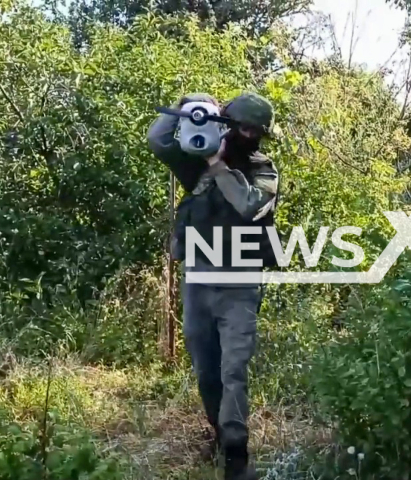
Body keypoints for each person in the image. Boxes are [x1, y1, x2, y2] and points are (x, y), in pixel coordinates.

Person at [147, 91, 279, 480]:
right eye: (243, 127)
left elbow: (250, 205)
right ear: (228, 125)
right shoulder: (195, 161)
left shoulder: (263, 169)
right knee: (207, 371)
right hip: (199, 282)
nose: (250, 134)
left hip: (240, 285)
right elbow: (157, 140)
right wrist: (191, 107)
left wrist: (218, 167)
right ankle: (220, 435)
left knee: (233, 369)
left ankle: (237, 455)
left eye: (256, 130)